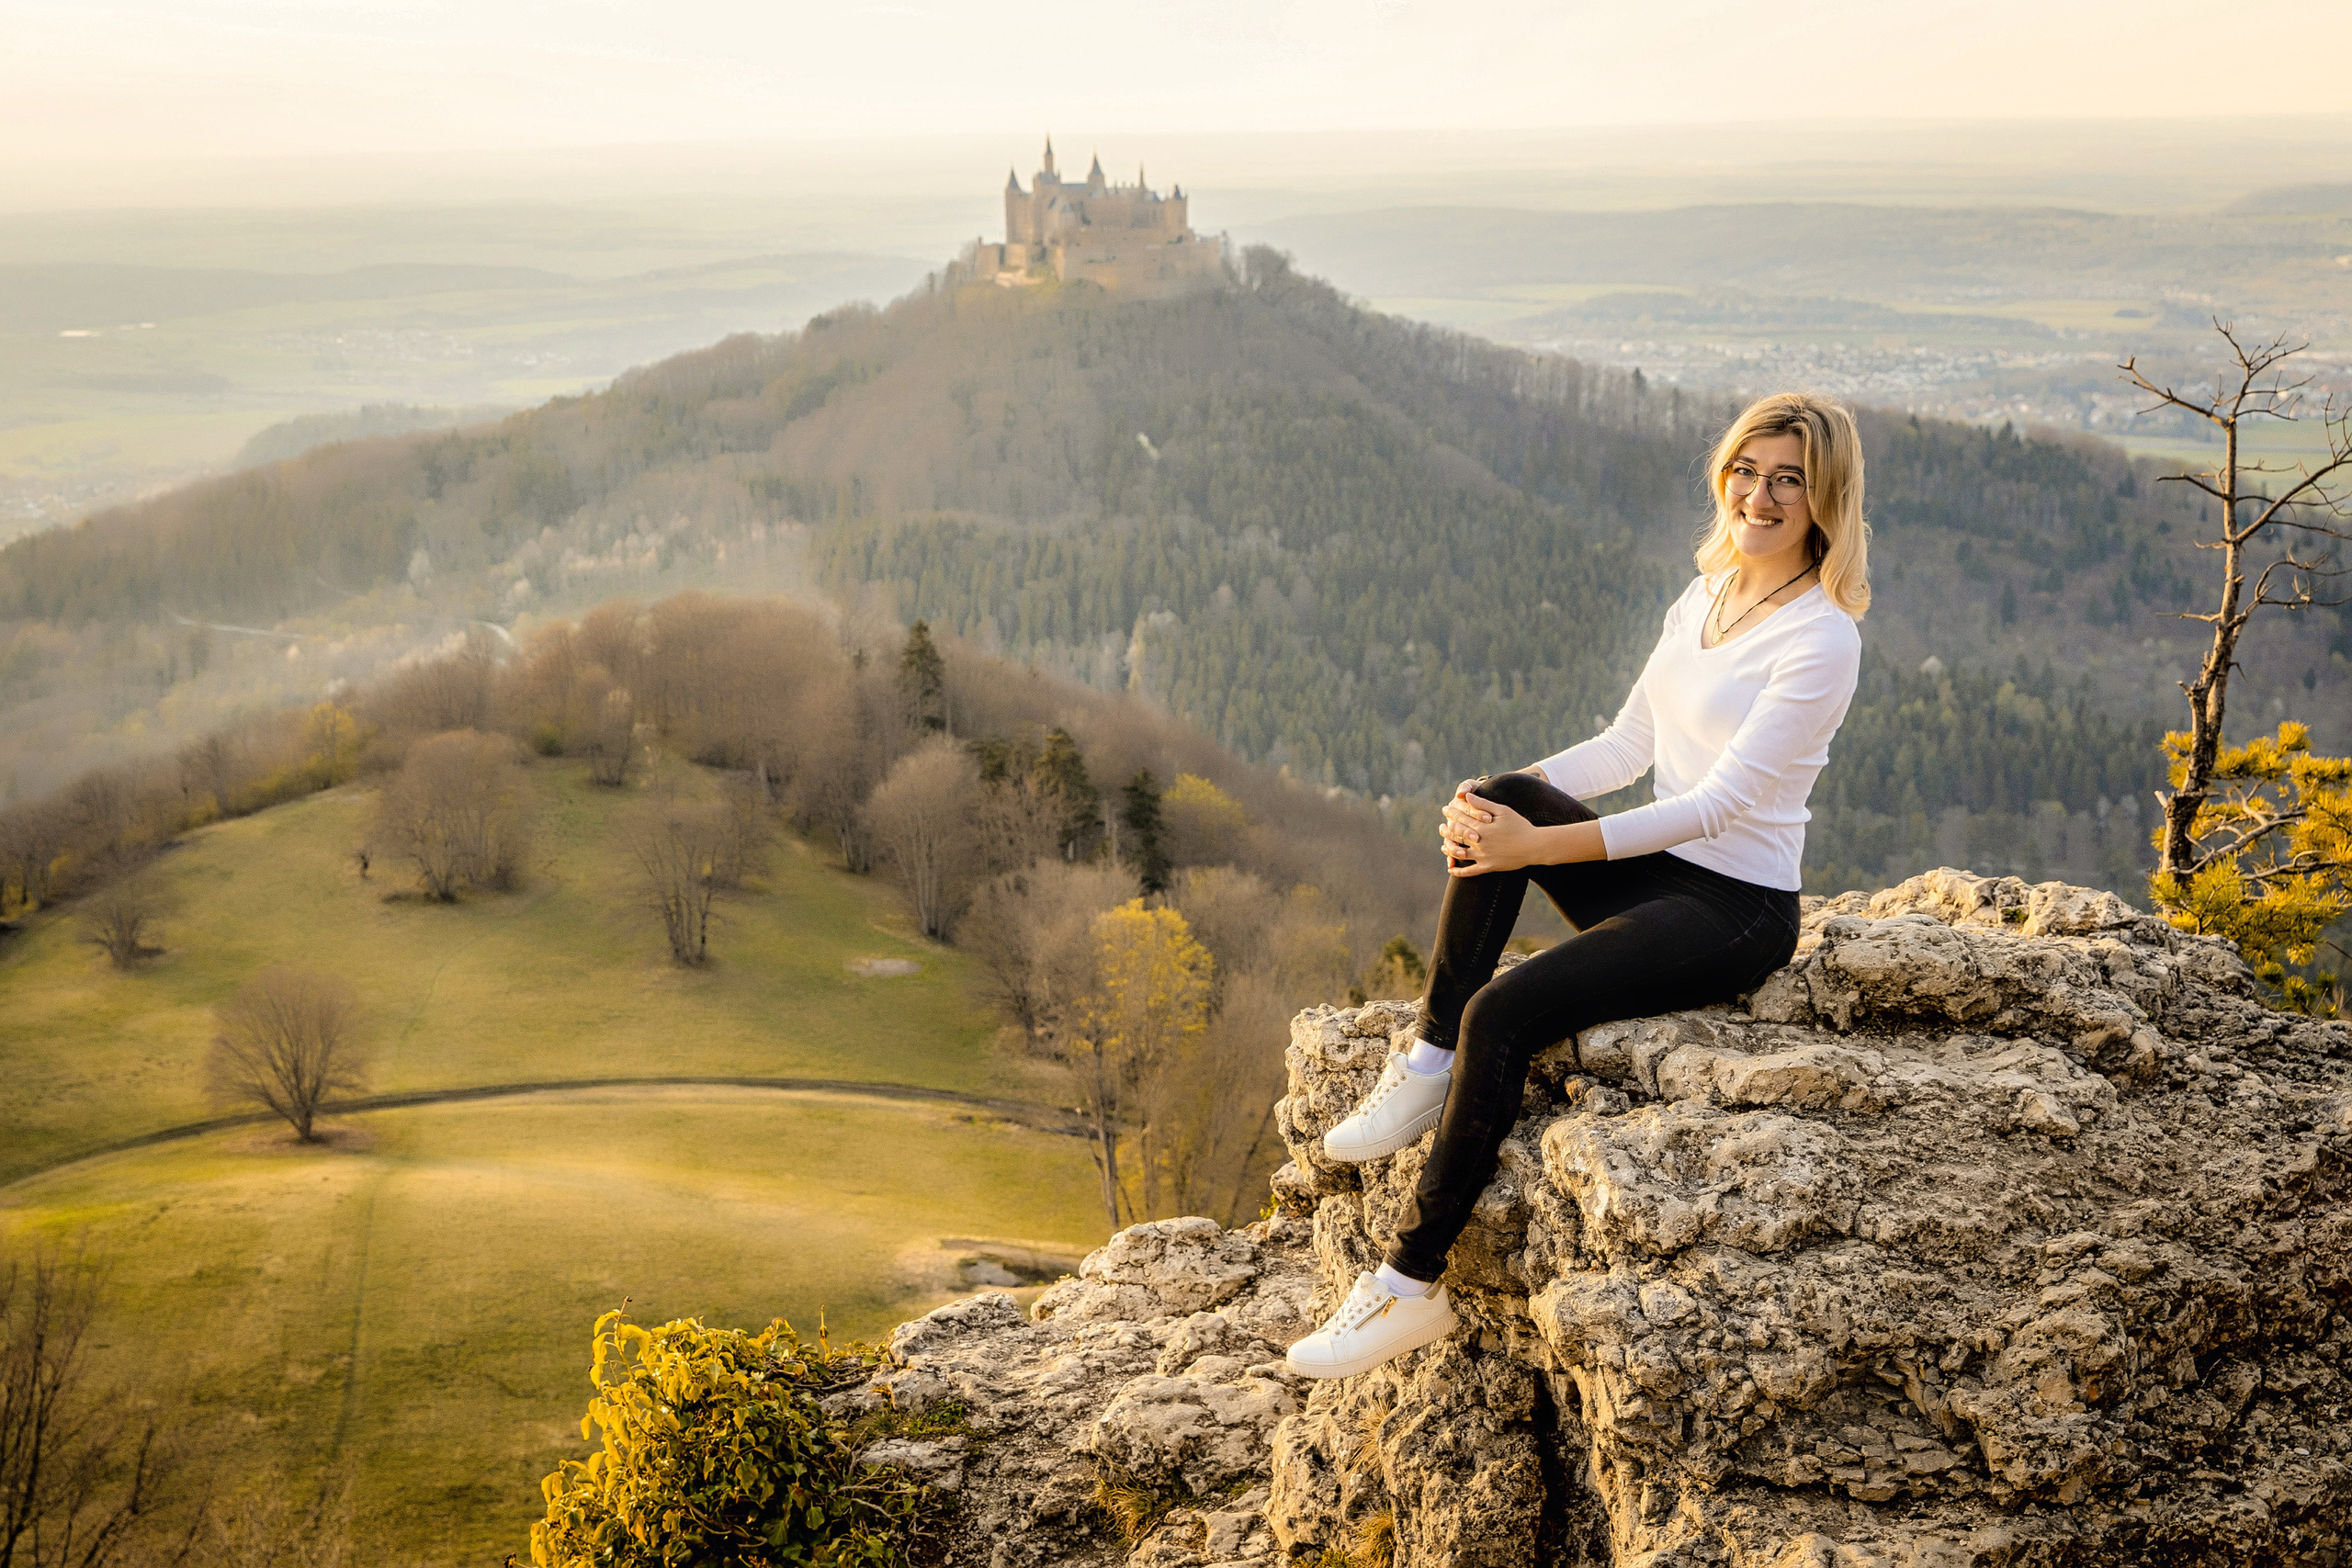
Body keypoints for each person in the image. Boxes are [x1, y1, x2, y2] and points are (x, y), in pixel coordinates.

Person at [1284, 390, 1870, 1380]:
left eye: (1787, 481)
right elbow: (1625, 746)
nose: (1759, 496)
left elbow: (1715, 807)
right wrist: (1495, 820)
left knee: (1507, 1010)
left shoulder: (1820, 639)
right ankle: (1426, 1064)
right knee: (1499, 791)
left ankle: (1404, 1288)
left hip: (1730, 911)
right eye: (1746, 470)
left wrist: (1534, 852)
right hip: (1659, 875)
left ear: (1824, 503)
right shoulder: (1708, 597)